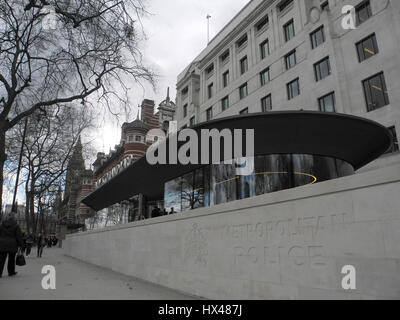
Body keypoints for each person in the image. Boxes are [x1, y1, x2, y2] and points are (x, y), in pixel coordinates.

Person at [0, 213, 23, 278]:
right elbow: (19, 236)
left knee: (1, 259)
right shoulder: (16, 226)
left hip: (2, 244)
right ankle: (11, 272)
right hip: (12, 245)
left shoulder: (2, 225)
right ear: (14, 218)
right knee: (11, 259)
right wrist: (21, 245)